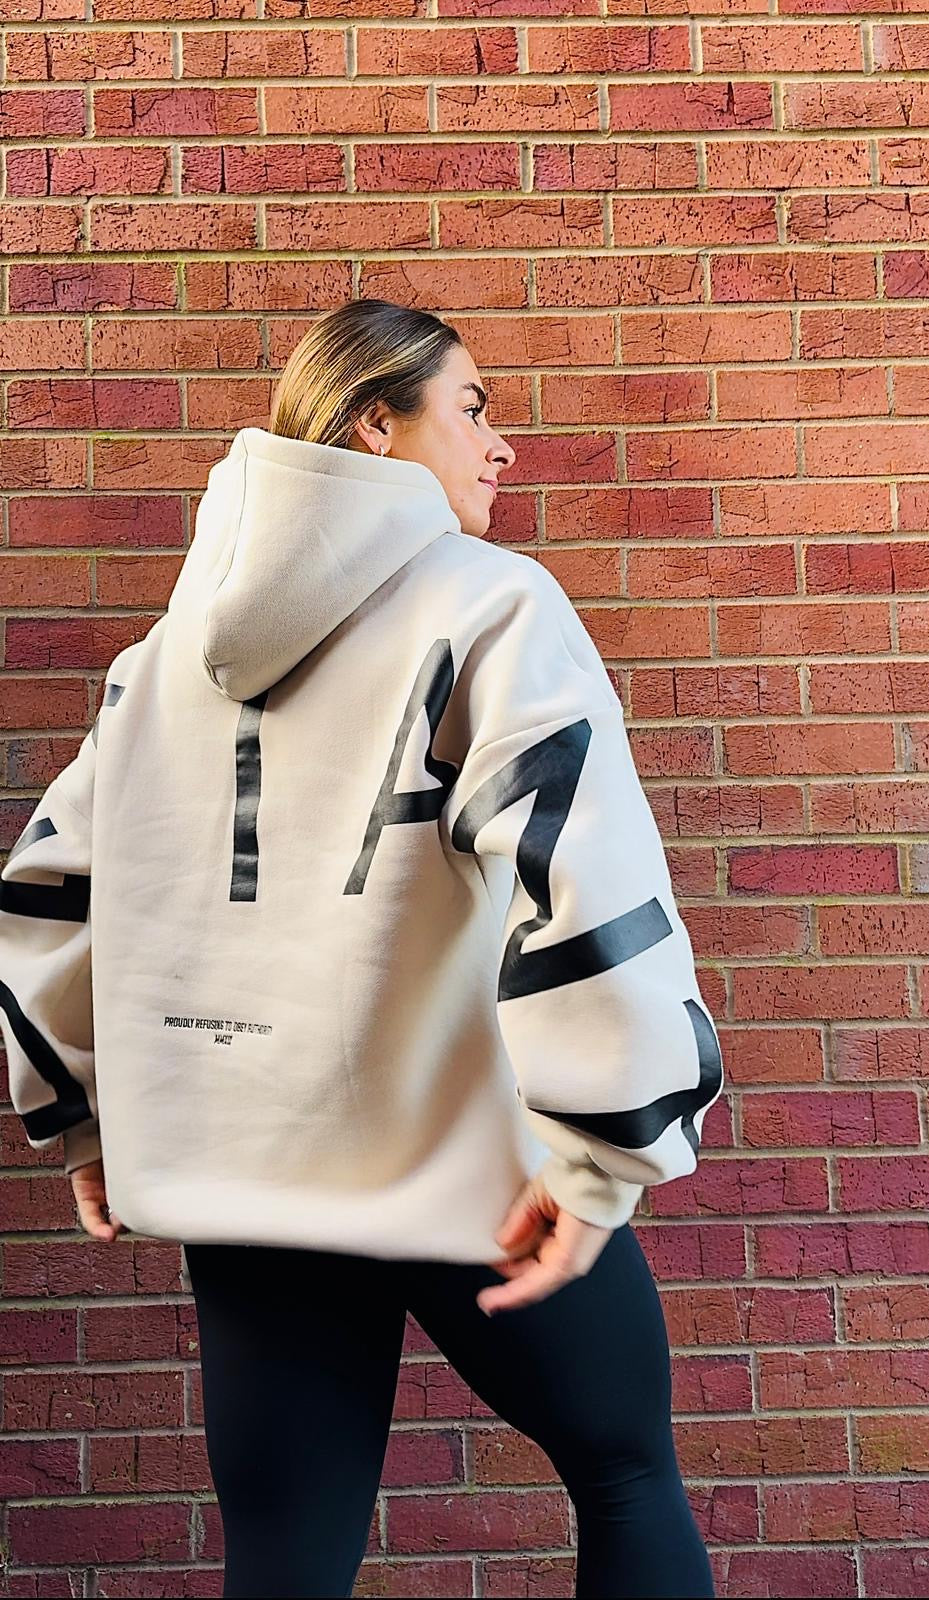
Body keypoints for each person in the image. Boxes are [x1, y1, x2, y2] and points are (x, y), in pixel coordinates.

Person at [0, 298, 723, 1598]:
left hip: (259, 1173)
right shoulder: (493, 607)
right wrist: (611, 1144)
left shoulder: (165, 656)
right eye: (474, 409)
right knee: (624, 1476)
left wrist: (82, 1119)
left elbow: (50, 891)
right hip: (470, 1164)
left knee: (285, 1553)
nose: (501, 446)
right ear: (374, 427)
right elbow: (581, 869)